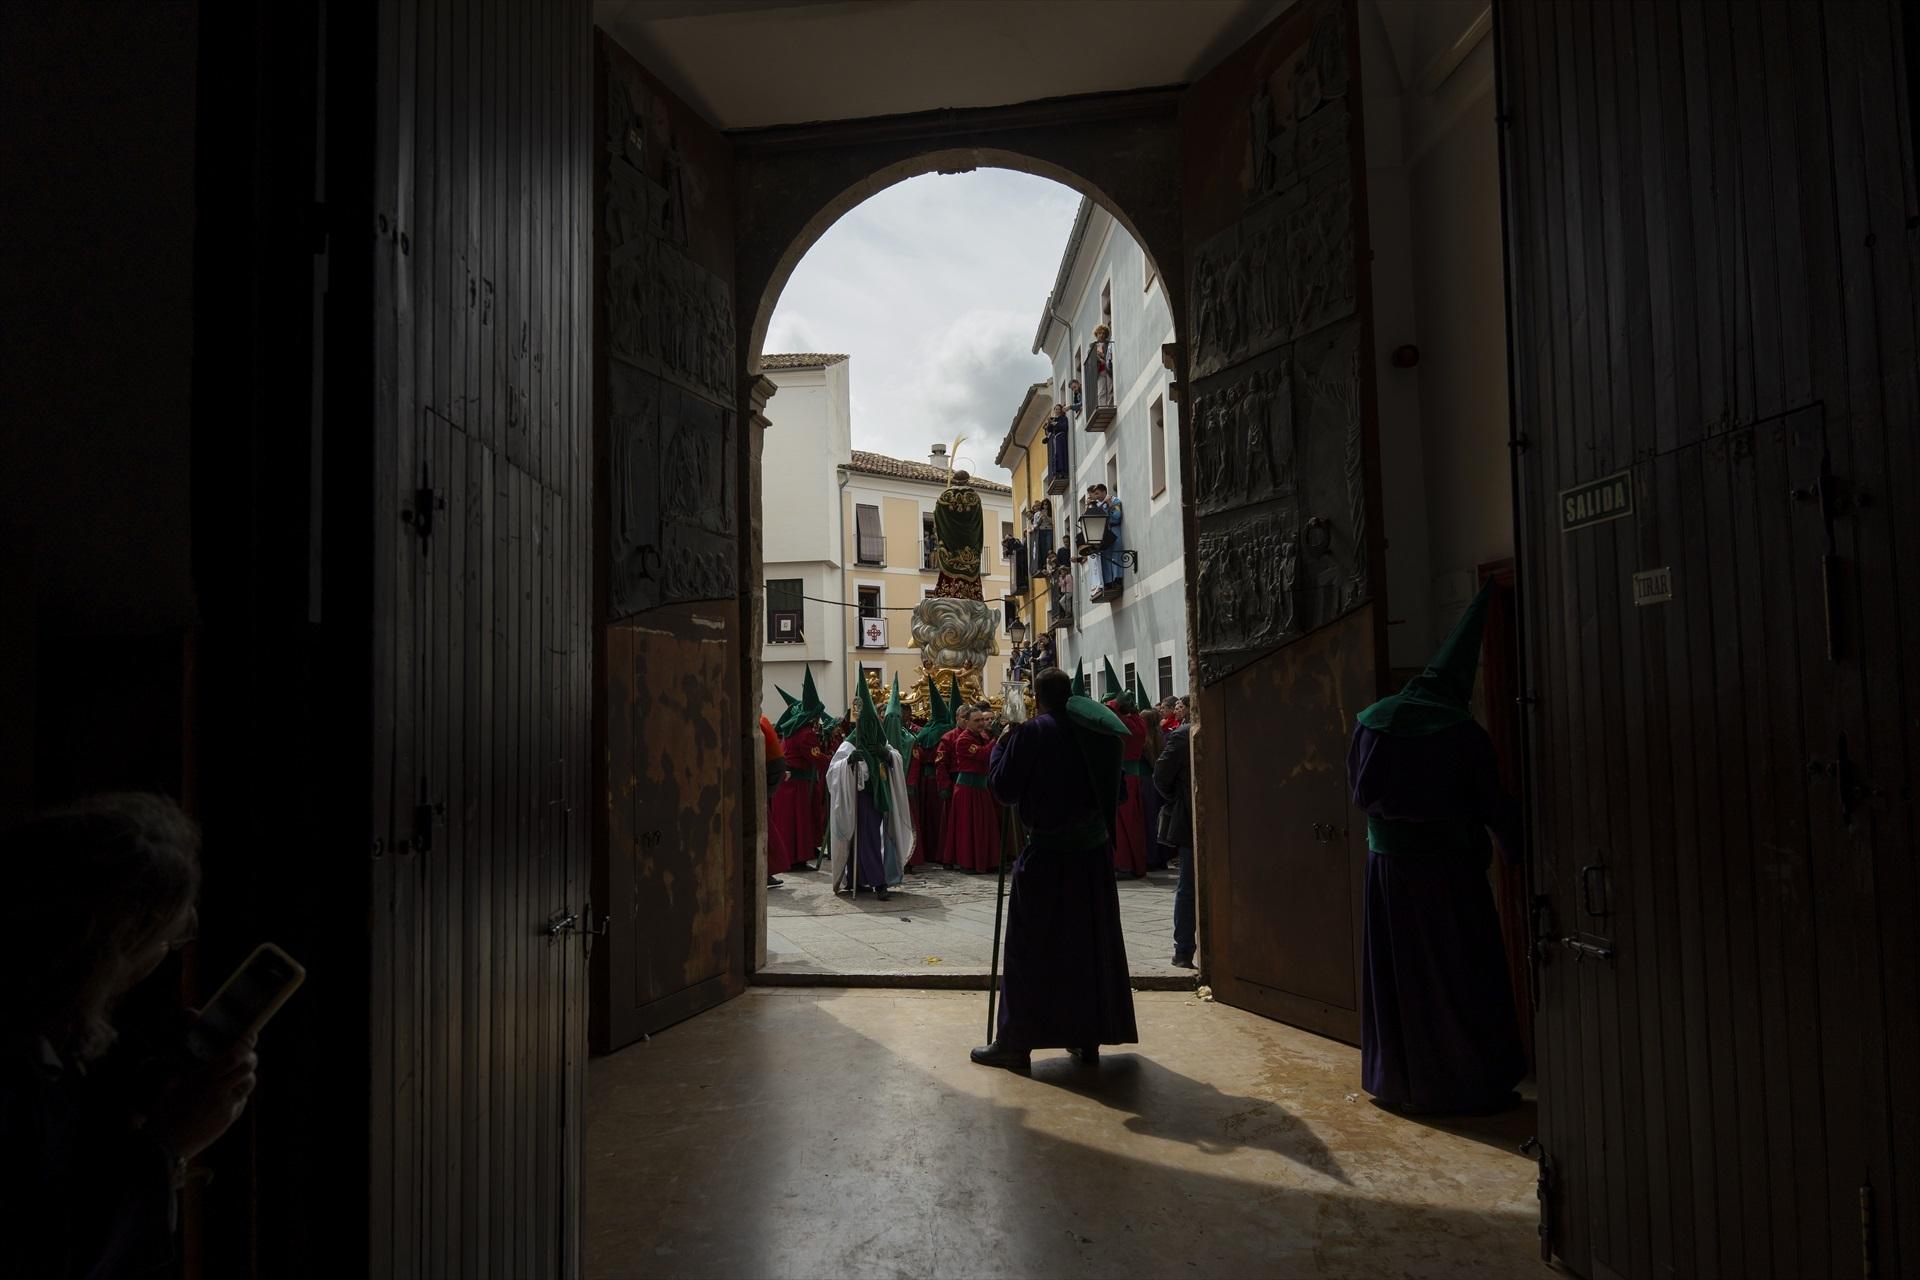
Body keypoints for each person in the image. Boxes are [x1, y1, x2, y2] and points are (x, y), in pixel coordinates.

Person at [2, 793, 261, 1279]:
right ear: (111, 948)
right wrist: (168, 1145)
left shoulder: (36, 1019)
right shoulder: (16, 1070)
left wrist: (142, 1083)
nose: (166, 954)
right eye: (163, 939)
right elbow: (47, 1253)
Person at [1347, 583, 1526, 1116]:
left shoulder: (1370, 722)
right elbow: (1492, 803)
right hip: (1448, 876)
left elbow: (1360, 795)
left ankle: (1396, 1079)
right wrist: (1516, 854)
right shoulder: (1463, 734)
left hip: (1387, 874)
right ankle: (1466, 1080)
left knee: (1397, 977)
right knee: (1458, 976)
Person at [972, 668, 1137, 1069]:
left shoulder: (1032, 732)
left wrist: (999, 747)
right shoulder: (1097, 734)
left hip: (1048, 857)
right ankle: (1087, 1037)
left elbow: (1004, 789)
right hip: (1093, 859)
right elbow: (1117, 792)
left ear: (1039, 699)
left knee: (1030, 948)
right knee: (1086, 945)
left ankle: (1015, 1043)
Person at [826, 679, 914, 903]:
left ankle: (860, 878)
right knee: (868, 839)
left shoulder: (880, 741)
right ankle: (878, 883)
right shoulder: (850, 743)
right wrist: (849, 763)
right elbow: (832, 772)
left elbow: (896, 757)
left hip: (881, 793)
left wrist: (885, 754)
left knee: (871, 838)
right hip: (860, 797)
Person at [768, 668, 830, 874]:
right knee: (797, 822)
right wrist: (836, 762)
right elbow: (816, 757)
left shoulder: (794, 731)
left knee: (789, 822)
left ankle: (794, 858)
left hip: (790, 783)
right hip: (797, 784)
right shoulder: (805, 734)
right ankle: (797, 859)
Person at [1153, 708, 1198, 969]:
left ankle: (1184, 951)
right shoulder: (1183, 737)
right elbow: (1162, 777)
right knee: (1189, 886)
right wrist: (1180, 801)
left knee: (1188, 887)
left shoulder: (1181, 736)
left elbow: (1161, 777)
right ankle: (1183, 950)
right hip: (1192, 818)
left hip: (1199, 816)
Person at [1101, 660, 1151, 878]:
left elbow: (1111, 716)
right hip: (1134, 776)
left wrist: (1114, 705)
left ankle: (1124, 864)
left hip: (1121, 778)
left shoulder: (1123, 725)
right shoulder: (1139, 723)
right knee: (1134, 824)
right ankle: (1136, 863)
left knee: (1122, 826)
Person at [939, 704, 1002, 873]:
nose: (981, 723)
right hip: (967, 789)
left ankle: (987, 860)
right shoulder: (963, 740)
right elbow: (983, 755)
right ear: (967, 722)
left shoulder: (982, 736)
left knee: (985, 826)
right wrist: (997, 740)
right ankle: (968, 862)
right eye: (977, 720)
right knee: (967, 828)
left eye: (982, 720)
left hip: (981, 787)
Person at [907, 676, 954, 868]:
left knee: (924, 817)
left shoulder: (924, 731)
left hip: (922, 780)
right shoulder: (945, 731)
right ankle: (937, 851)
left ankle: (923, 850)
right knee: (937, 818)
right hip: (937, 780)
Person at [760, 714, 790, 887]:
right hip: (772, 771)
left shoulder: (759, 722)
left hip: (770, 771)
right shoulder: (762, 720)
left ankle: (766, 871)